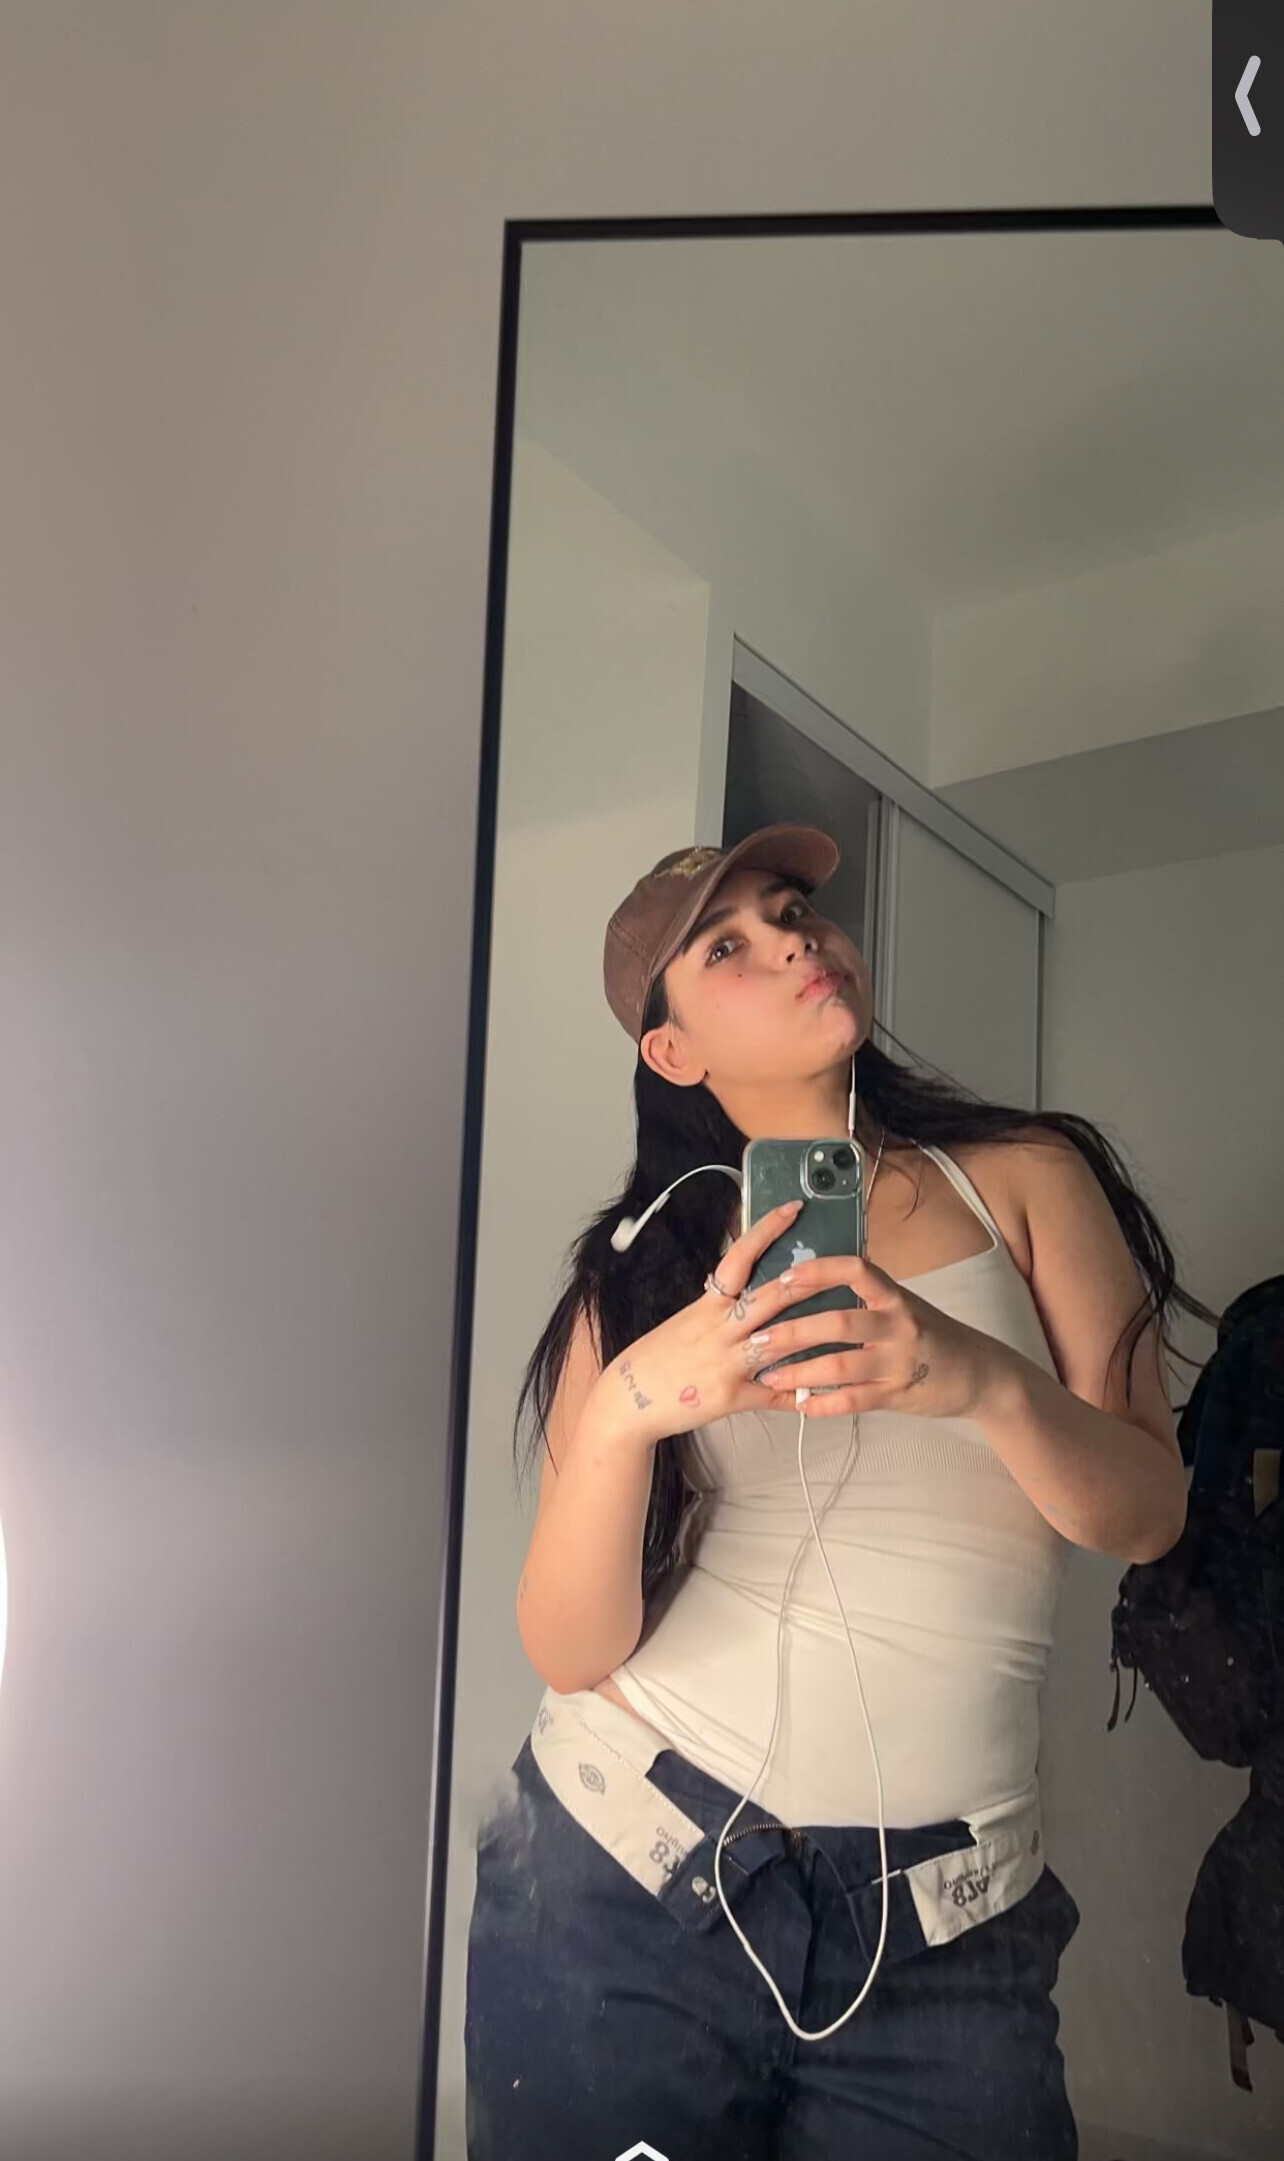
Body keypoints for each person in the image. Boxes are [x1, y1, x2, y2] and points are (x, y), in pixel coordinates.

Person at [463, 822, 1215, 2161]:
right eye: (728, 945)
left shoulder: (1025, 1178)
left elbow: (1151, 1511)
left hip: (947, 1923)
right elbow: (570, 1645)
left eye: (793, 909)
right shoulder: (637, 1270)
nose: (792, 939)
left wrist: (975, 1376)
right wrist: (636, 1399)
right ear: (672, 1052)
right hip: (626, 1873)